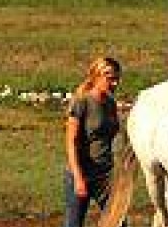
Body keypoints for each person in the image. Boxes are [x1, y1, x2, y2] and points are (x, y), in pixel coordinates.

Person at [64, 57, 123, 227]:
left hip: (105, 175)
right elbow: (71, 142)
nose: (115, 83)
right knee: (74, 223)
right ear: (96, 76)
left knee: (118, 222)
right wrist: (78, 177)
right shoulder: (81, 102)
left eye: (117, 78)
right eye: (110, 78)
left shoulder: (111, 103)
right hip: (82, 173)